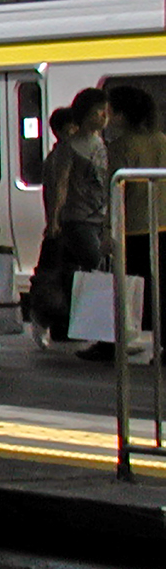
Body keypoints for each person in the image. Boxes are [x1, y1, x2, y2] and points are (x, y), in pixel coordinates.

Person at [46, 87, 112, 355]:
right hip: (78, 218)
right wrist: (54, 219)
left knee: (100, 271)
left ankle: (103, 335)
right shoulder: (70, 147)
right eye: (98, 112)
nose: (104, 117)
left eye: (105, 112)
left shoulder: (101, 144)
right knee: (98, 269)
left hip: (100, 218)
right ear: (84, 115)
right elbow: (60, 185)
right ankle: (103, 336)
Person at [109, 83, 166, 361]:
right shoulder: (162, 140)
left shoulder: (121, 147)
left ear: (121, 114)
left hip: (134, 228)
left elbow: (115, 192)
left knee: (135, 290)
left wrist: (108, 229)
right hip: (163, 224)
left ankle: (119, 340)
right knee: (161, 289)